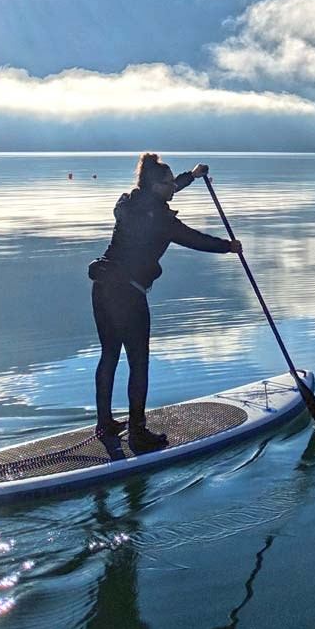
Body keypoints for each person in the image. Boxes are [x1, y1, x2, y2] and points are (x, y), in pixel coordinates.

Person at [89, 153, 242, 452]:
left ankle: (104, 423)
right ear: (155, 186)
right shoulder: (161, 220)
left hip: (102, 287)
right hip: (128, 295)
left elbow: (161, 193)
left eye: (174, 182)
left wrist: (192, 176)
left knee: (109, 356)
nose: (173, 186)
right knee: (139, 362)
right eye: (168, 183)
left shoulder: (128, 203)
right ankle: (138, 433)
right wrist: (228, 247)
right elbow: (194, 239)